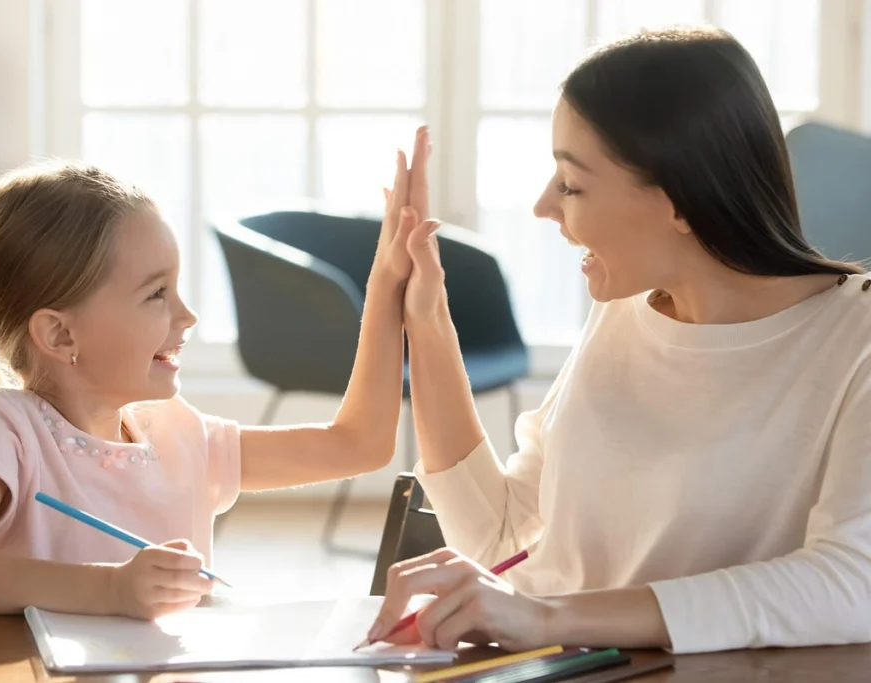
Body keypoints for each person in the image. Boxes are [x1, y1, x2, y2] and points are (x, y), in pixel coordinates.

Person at [368, 27, 871, 655]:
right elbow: (502, 540)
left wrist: (552, 618)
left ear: (682, 201)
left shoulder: (856, 341)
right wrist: (428, 319)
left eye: (571, 184)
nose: (542, 206)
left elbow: (854, 583)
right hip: (545, 665)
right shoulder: (624, 310)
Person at [0, 128, 434, 619]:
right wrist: (111, 590)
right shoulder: (6, 426)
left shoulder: (179, 432)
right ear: (60, 335)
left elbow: (358, 445)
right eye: (157, 294)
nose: (188, 315)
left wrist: (387, 285)